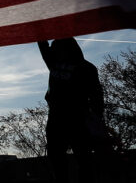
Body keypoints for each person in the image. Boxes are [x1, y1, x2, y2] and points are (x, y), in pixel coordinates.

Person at [38, 37, 104, 183]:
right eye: (54, 48)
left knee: (83, 158)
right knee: (56, 157)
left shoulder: (87, 68)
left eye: (57, 48)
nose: (54, 51)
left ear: (68, 48)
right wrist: (37, 25)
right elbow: (43, 46)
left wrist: (97, 119)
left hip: (78, 118)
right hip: (56, 118)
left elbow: (97, 96)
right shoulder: (54, 63)